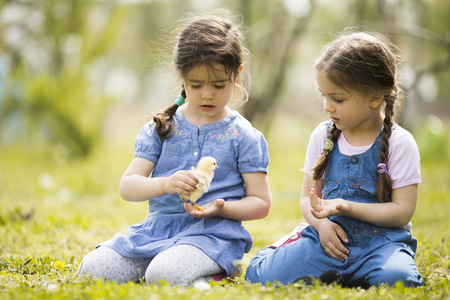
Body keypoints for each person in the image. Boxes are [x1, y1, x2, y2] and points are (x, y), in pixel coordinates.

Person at [77, 11, 271, 287]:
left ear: (236, 74)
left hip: (213, 236)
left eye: (218, 85)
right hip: (156, 232)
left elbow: (261, 203)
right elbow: (128, 187)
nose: (207, 94)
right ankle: (177, 269)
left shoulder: (243, 136)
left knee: (163, 274)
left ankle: (217, 272)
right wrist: (166, 183)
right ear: (182, 77)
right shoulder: (163, 127)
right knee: (93, 270)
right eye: (196, 84)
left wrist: (220, 208)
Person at [245, 31, 423, 288]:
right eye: (324, 96)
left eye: (338, 99)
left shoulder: (400, 143)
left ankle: (348, 275)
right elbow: (308, 198)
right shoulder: (323, 135)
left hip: (382, 244)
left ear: (374, 98)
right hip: (328, 240)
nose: (328, 106)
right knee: (259, 275)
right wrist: (321, 225)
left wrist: (348, 207)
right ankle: (304, 250)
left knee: (398, 281)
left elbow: (402, 212)